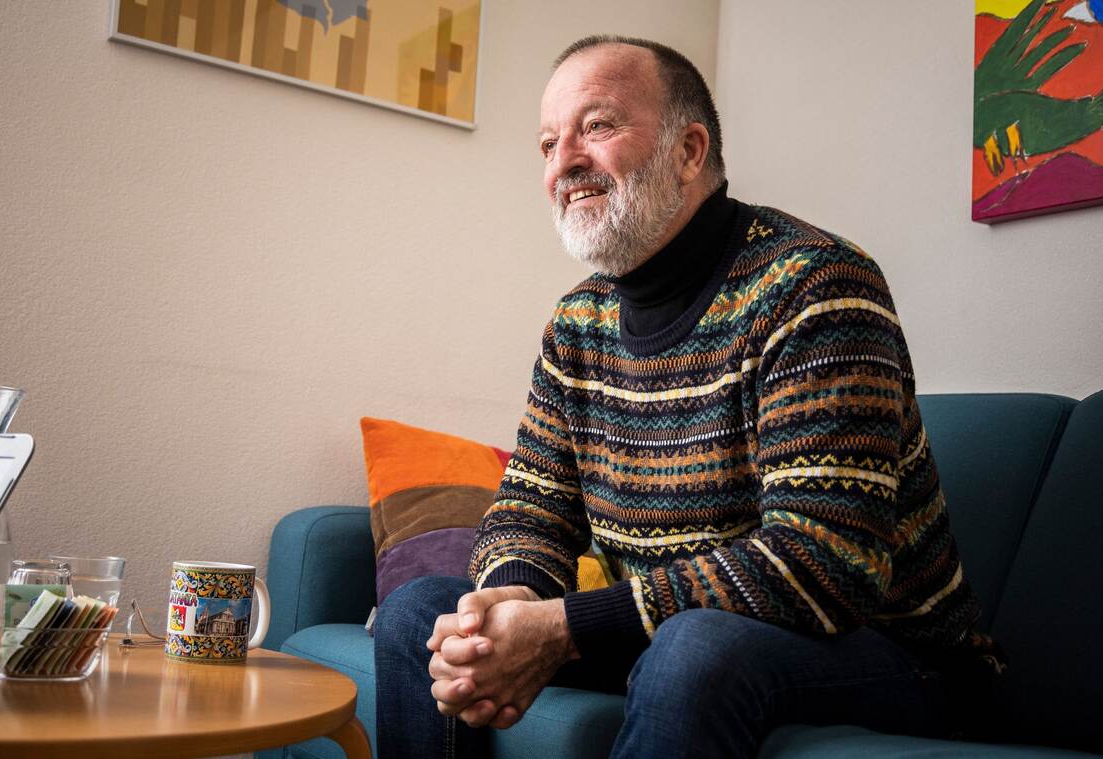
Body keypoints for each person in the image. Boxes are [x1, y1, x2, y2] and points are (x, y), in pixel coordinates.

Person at [375, 34, 1001, 758]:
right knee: (418, 615)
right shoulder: (578, 323)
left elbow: (822, 562)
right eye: (548, 143)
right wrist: (513, 602)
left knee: (695, 646)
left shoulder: (814, 284)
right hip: (669, 632)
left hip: (893, 656)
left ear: (689, 151)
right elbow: (530, 507)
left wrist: (563, 628)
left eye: (596, 126)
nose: (562, 162)